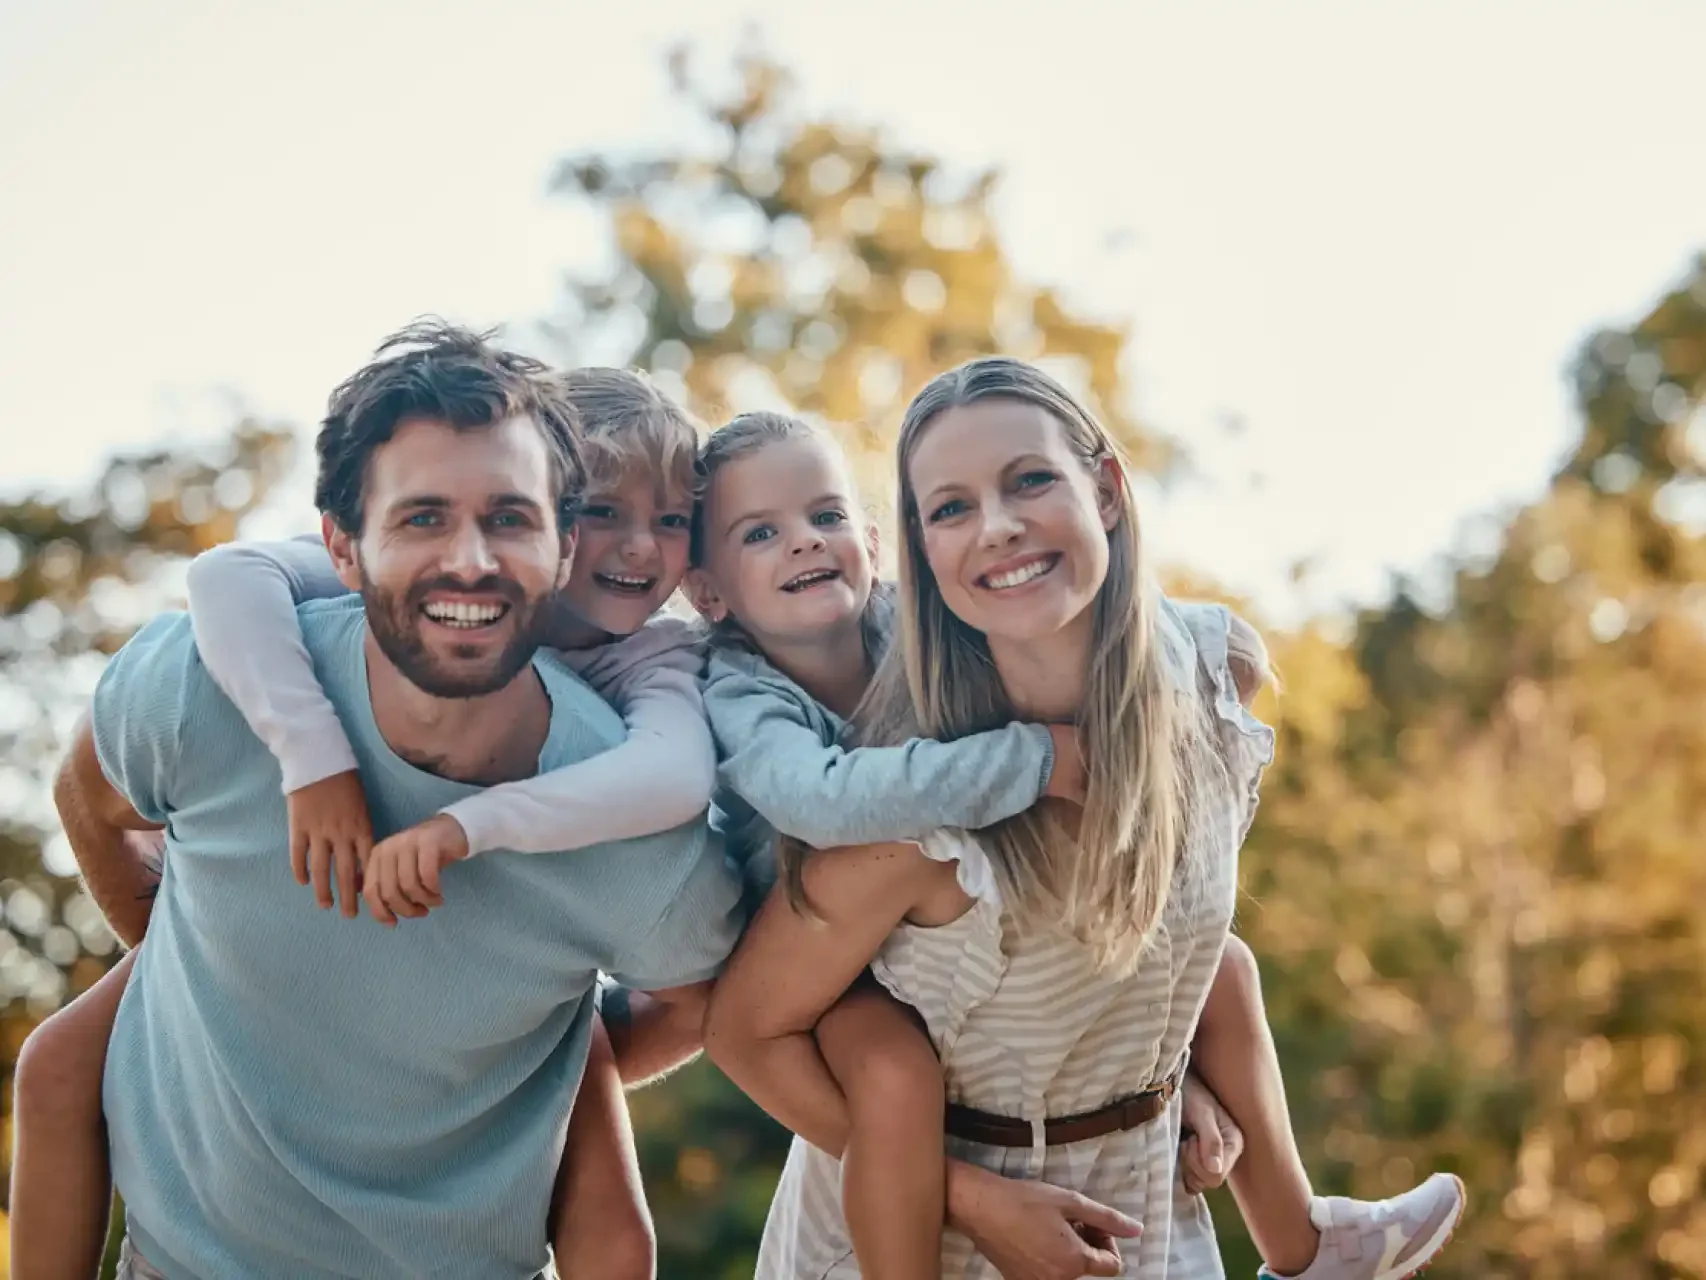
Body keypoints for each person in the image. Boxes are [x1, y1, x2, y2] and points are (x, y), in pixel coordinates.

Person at [705, 357, 1465, 1279]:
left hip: (1145, 1212)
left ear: (1105, 488)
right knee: (889, 1066)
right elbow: (748, 1020)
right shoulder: (906, 805)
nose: (998, 526)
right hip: (936, 1228)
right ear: (924, 549)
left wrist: (1167, 1068)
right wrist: (970, 1196)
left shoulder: (1214, 680)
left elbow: (1147, 951)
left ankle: (1311, 1247)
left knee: (1227, 964)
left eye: (1030, 480)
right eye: (951, 508)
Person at [38, 322, 742, 1279]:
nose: (470, 559)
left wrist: (517, 1062)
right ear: (344, 544)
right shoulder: (226, 676)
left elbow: (698, 971)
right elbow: (207, 606)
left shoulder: (641, 744)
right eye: (422, 519)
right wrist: (211, 966)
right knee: (56, 1062)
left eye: (509, 517)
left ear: (557, 539)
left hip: (480, 1211)